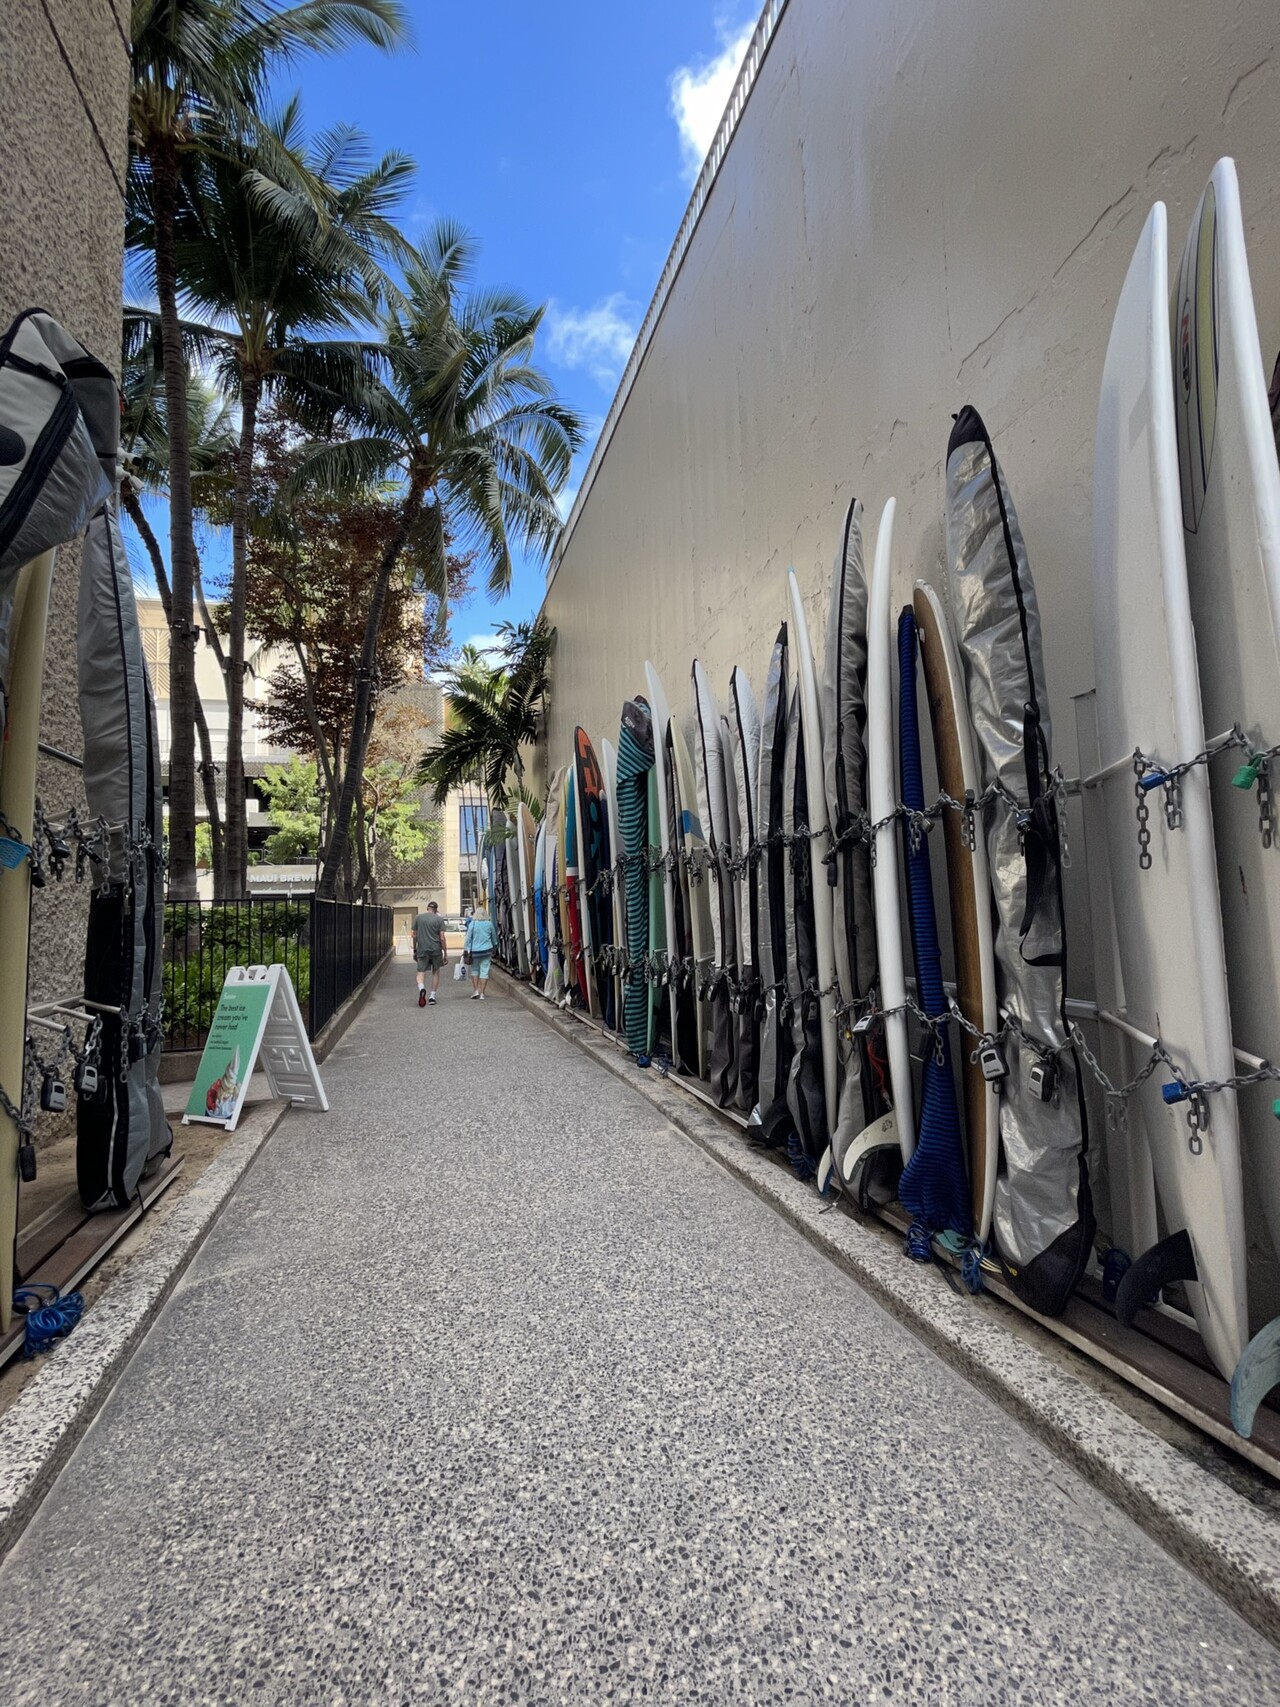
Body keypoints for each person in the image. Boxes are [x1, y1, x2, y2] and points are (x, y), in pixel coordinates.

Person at [411, 901, 448, 1007]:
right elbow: (442, 938)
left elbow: (414, 935)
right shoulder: (439, 919)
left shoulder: (418, 918)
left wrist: (415, 949)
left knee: (420, 972)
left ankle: (421, 988)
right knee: (435, 972)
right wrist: (445, 952)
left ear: (427, 908)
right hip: (436, 949)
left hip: (422, 949)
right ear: (436, 910)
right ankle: (432, 996)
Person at [463, 902, 498, 1000]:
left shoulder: (472, 924)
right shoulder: (489, 924)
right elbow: (493, 937)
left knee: (475, 970)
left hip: (475, 952)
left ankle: (476, 991)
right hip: (487, 950)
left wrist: (466, 949)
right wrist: (495, 945)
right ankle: (482, 993)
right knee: (484, 971)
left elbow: (468, 938)